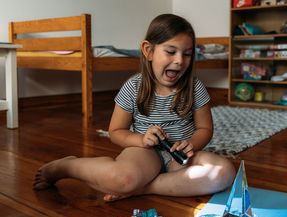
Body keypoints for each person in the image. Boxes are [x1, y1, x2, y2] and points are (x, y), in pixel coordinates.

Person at [33, 14, 236, 201]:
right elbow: (115, 132)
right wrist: (142, 139)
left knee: (224, 172)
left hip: (181, 158)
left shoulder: (195, 87)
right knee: (120, 179)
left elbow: (205, 129)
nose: (179, 61)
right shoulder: (133, 87)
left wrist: (191, 143)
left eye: (187, 54)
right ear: (148, 51)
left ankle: (142, 189)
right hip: (144, 153)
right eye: (171, 52)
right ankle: (66, 166)